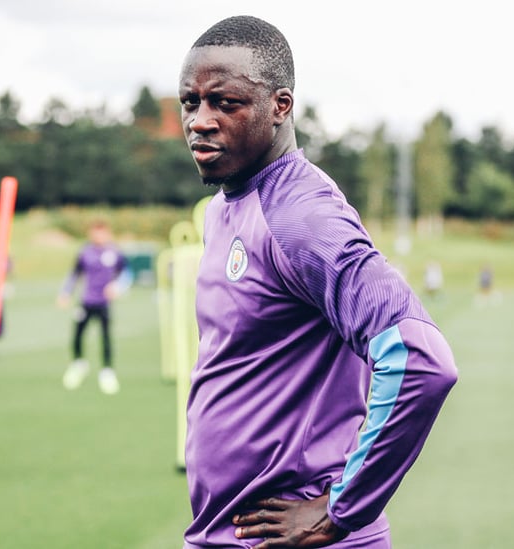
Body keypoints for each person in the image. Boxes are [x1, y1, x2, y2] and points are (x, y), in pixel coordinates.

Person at [179, 16, 458, 549]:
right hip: (225, 533)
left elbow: (421, 359)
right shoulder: (223, 208)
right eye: (191, 102)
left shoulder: (301, 217)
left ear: (281, 106)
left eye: (225, 102)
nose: (201, 120)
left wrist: (340, 508)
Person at [57, 220, 130, 394]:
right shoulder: (85, 253)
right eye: (95, 232)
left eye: (102, 232)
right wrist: (65, 293)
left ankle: (107, 372)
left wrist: (118, 287)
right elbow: (74, 274)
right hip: (86, 301)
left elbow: (127, 273)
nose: (98, 236)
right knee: (78, 334)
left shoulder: (115, 252)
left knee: (105, 337)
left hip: (104, 303)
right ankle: (78, 364)